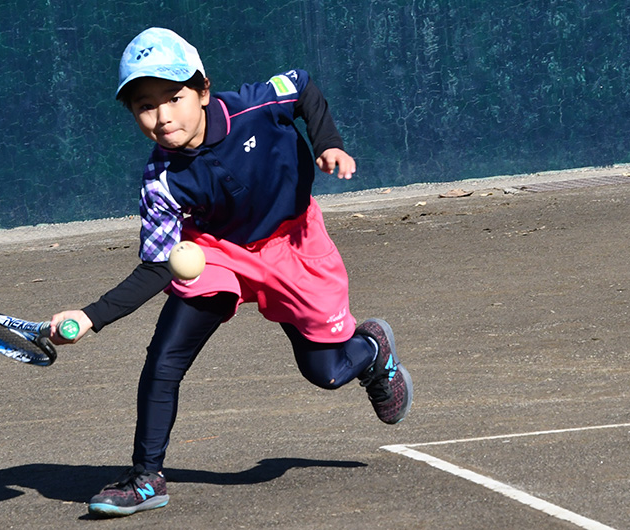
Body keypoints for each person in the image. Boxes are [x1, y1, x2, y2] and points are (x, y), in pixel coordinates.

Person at [48, 27, 412, 518]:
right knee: (164, 358)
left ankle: (370, 351)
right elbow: (158, 264)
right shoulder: (162, 181)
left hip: (294, 242)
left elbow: (302, 86)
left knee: (324, 373)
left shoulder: (254, 105)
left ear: (202, 90)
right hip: (216, 252)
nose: (162, 116)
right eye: (144, 106)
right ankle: (146, 478)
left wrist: (328, 143)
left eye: (173, 97)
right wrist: (93, 316)